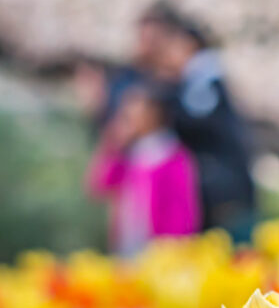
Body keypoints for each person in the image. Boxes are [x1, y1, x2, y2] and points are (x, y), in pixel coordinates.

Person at [138, 3, 257, 242]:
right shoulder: (193, 82)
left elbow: (198, 123)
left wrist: (167, 88)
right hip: (214, 193)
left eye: (171, 47)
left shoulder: (204, 80)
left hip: (226, 195)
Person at [86, 84, 202, 255]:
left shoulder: (172, 156)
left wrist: (175, 251)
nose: (127, 116)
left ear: (154, 114)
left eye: (134, 110)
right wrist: (111, 143)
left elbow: (182, 214)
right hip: (128, 249)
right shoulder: (130, 156)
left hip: (163, 254)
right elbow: (98, 186)